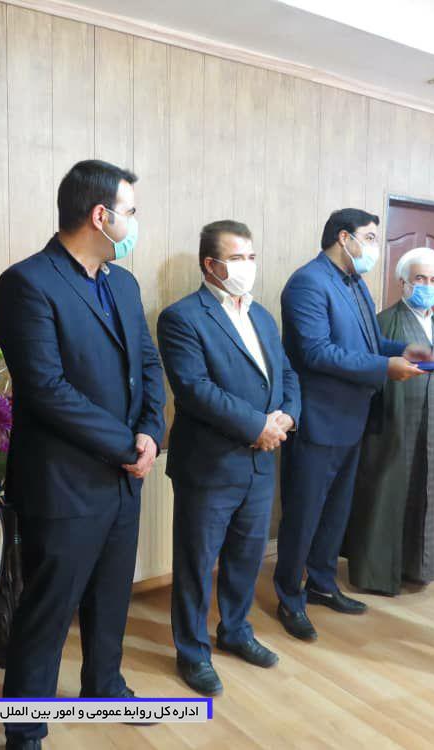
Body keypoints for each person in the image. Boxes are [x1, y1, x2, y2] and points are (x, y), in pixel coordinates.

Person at [0, 159, 166, 750]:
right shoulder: (27, 282)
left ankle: (104, 686)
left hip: (124, 475)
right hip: (63, 481)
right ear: (100, 215)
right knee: (48, 608)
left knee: (112, 593)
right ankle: (25, 728)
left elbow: (147, 364)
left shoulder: (124, 283)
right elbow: (45, 389)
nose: (134, 222)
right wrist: (126, 445)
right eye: (131, 211)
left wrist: (151, 433)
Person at [158, 220, 301, 696]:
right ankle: (192, 652)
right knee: (197, 563)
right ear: (211, 264)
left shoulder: (262, 316)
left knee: (246, 555)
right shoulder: (182, 317)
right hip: (211, 465)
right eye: (237, 258)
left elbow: (286, 374)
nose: (247, 266)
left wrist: (287, 418)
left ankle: (235, 630)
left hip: (261, 461)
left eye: (251, 257)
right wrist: (257, 425)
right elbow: (194, 390)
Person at [275, 208, 430, 641]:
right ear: (345, 238)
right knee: (304, 514)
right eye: (371, 238)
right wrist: (384, 367)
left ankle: (322, 583)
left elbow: (369, 342)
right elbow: (316, 352)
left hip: (353, 417)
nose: (375, 247)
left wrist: (401, 350)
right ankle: (290, 597)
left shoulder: (356, 283)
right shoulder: (307, 283)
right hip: (318, 419)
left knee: (336, 511)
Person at [345, 247, 434, 595]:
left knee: (426, 493)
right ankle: (378, 573)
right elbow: (367, 371)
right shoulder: (384, 322)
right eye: (419, 278)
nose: (427, 286)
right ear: (402, 282)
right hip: (393, 423)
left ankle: (417, 566)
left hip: (433, 423)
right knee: (387, 495)